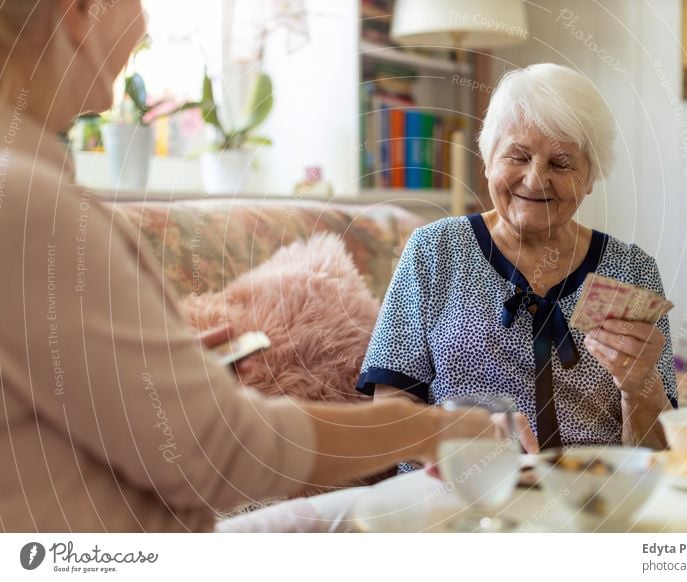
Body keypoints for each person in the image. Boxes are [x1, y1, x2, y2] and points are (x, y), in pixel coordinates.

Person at [0, 0, 494, 532]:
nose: (146, 25)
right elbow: (218, 452)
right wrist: (423, 430)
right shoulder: (29, 205)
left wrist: (174, 370)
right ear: (80, 13)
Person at [358, 63, 677, 466]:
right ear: (488, 160)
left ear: (591, 177)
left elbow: (660, 459)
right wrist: (452, 453)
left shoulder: (632, 270)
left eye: (561, 164)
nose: (535, 179)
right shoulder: (435, 250)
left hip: (593, 501)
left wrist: (640, 386)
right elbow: (391, 405)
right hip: (467, 492)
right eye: (518, 156)